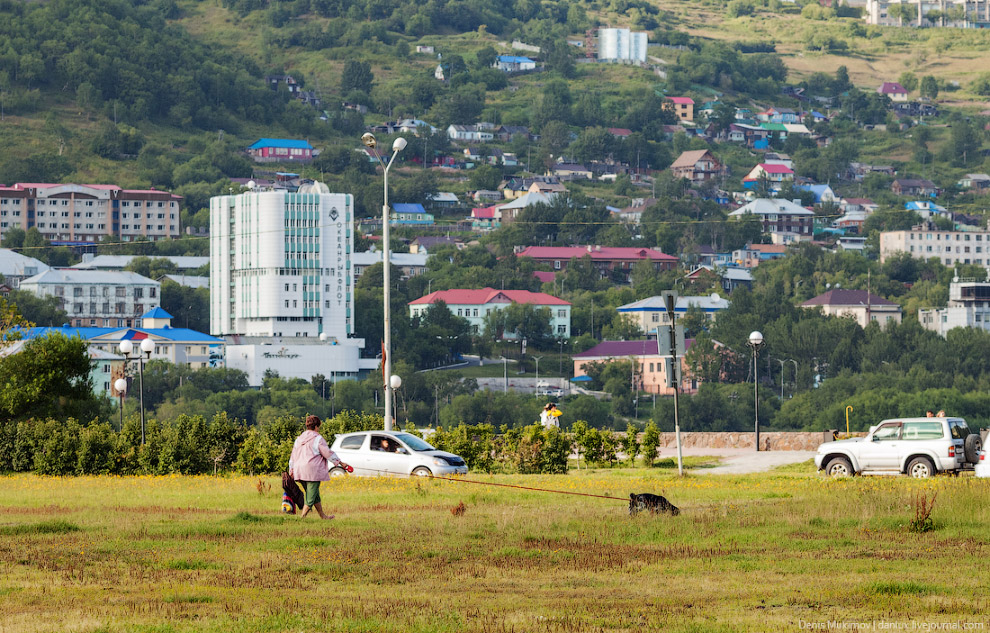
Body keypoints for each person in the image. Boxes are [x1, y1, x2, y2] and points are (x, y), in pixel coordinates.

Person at [289, 415, 350, 520]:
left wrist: (291, 469)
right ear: (316, 426)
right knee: (310, 498)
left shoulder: (298, 439)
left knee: (315, 495)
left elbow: (292, 456)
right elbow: (327, 453)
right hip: (312, 471)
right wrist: (340, 462)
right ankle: (301, 519)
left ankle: (323, 516)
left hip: (299, 470)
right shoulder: (318, 439)